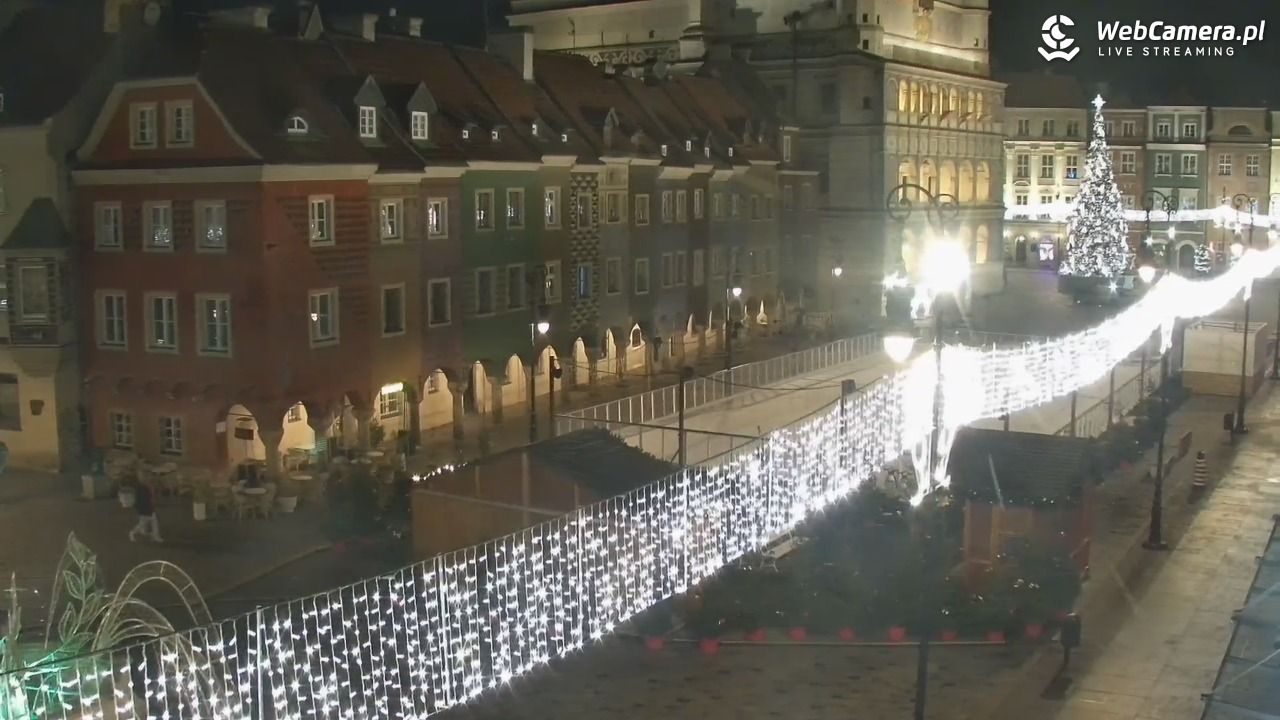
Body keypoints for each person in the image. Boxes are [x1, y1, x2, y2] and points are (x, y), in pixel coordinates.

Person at [128, 476, 163, 543]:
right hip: (144, 509)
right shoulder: (141, 489)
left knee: (154, 521)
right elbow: (141, 500)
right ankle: (132, 533)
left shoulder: (146, 488)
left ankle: (156, 536)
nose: (149, 482)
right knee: (142, 524)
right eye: (148, 481)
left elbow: (151, 498)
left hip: (148, 508)